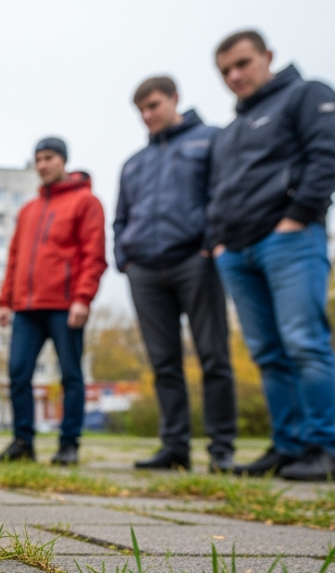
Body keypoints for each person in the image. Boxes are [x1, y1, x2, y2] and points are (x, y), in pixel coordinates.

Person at [207, 30, 335, 482]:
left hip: (289, 239)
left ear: (267, 56)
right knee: (268, 352)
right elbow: (217, 190)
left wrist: (297, 216)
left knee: (304, 342)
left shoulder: (307, 95)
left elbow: (330, 157)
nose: (234, 76)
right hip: (237, 251)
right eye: (225, 70)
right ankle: (288, 447)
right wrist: (218, 241)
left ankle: (324, 449)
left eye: (243, 63)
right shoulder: (230, 130)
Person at [113, 76, 237, 473]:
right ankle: (174, 447)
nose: (147, 116)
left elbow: (224, 195)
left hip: (195, 262)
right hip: (145, 271)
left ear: (174, 99)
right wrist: (125, 259)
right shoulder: (134, 163)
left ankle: (221, 448)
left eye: (153, 106)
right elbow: (120, 219)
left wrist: (208, 245)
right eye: (141, 111)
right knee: (163, 362)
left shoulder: (211, 140)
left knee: (213, 355)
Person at [0, 137, 107, 465]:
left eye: (49, 158)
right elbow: (14, 257)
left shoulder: (86, 202)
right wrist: (4, 300)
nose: (43, 164)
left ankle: (68, 443)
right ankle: (22, 442)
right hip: (26, 308)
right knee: (17, 373)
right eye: (38, 159)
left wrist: (83, 298)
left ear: (63, 161)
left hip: (65, 305)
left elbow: (93, 253)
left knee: (71, 374)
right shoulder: (29, 210)